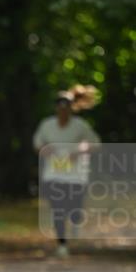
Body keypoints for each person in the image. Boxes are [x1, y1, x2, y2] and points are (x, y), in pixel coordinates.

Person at [32, 84, 101, 257]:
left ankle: (76, 218)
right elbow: (37, 143)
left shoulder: (80, 126)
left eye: (66, 108)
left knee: (74, 207)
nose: (63, 112)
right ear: (57, 108)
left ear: (71, 109)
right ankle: (62, 244)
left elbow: (95, 144)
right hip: (53, 175)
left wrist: (79, 152)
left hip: (75, 176)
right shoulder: (47, 125)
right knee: (58, 208)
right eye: (60, 108)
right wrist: (45, 150)